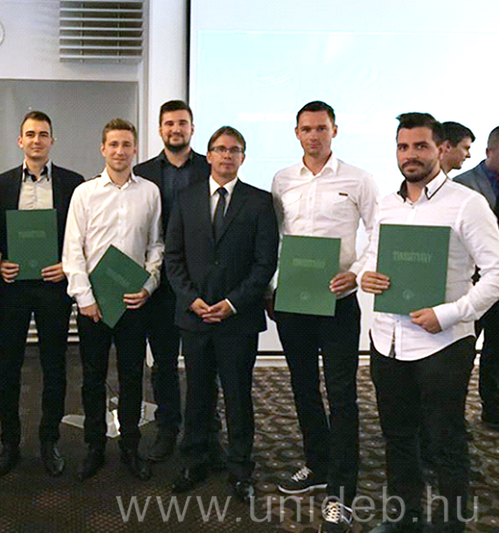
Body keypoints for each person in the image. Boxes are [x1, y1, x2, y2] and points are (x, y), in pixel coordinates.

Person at [362, 113, 499, 533]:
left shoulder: (467, 204)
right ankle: (405, 518)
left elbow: (496, 273)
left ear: (440, 149)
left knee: (445, 443)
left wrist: (449, 313)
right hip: (387, 341)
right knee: (398, 439)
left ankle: (450, 524)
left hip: (443, 345)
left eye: (420, 146)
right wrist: (365, 274)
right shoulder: (386, 204)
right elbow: (371, 256)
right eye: (403, 147)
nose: (410, 155)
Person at [270, 101, 378, 531]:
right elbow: (275, 238)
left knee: (342, 393)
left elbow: (378, 232)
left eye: (321, 128)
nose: (313, 136)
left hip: (338, 300)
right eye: (306, 129)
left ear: (335, 130)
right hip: (295, 300)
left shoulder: (358, 179)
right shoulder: (282, 180)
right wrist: (273, 287)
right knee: (302, 387)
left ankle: (342, 488)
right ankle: (316, 463)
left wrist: (357, 273)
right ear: (296, 133)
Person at [166, 126, 278, 501]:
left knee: (238, 396)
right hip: (195, 316)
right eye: (220, 149)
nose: (227, 155)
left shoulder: (260, 202)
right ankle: (194, 460)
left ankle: (240, 468)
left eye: (234, 150)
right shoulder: (186, 199)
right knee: (197, 394)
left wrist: (231, 304)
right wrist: (191, 299)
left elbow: (265, 264)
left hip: (238, 319)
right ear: (209, 155)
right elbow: (173, 258)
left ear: (243, 157)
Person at [62, 118, 163, 481]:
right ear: (103, 149)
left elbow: (156, 245)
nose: (120, 151)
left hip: (134, 302)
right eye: (114, 144)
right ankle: (94, 447)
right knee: (92, 377)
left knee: (133, 377)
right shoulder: (84, 193)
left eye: (126, 144)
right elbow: (72, 250)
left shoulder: (150, 192)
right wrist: (84, 298)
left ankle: (131, 447)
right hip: (94, 305)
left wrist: (148, 286)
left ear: (135, 149)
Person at [0, 111, 83, 477]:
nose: (36, 140)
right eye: (30, 134)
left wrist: (67, 266)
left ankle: (49, 440)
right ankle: (9, 443)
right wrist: (0, 262)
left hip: (53, 286)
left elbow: (78, 234)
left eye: (43, 134)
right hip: (13, 286)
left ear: (52, 141)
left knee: (54, 366)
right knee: (8, 367)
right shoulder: (2, 182)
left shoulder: (72, 182)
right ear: (20, 141)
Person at [133, 100, 223, 464]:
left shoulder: (209, 167)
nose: (176, 129)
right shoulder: (142, 172)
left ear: (192, 128)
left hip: (201, 282)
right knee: (164, 362)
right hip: (159, 283)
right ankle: (167, 427)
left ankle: (209, 431)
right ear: (160, 129)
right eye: (169, 123)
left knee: (205, 364)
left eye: (182, 123)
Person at [453, 125, 499, 429]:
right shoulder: (462, 185)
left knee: (496, 351)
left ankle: (492, 411)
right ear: (489, 152)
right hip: (469, 283)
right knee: (461, 354)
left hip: (498, 282)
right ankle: (453, 417)